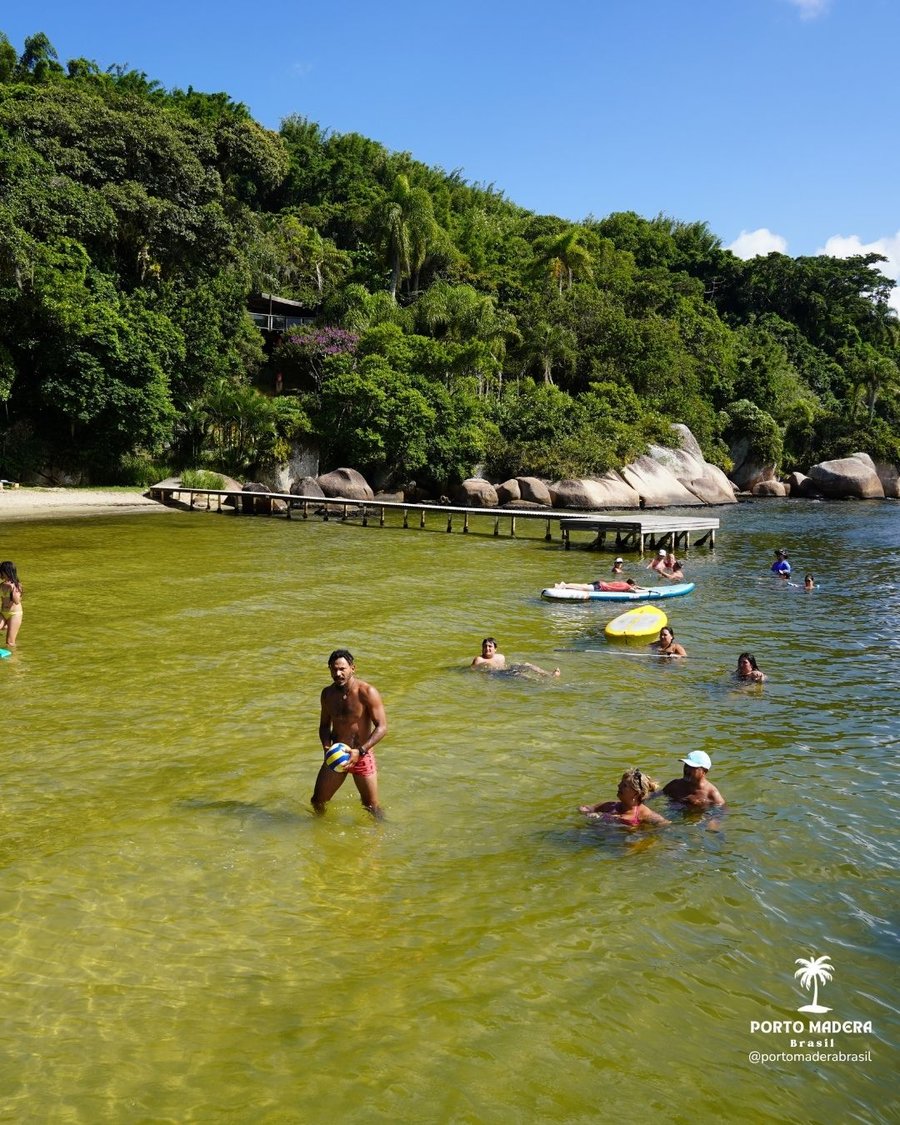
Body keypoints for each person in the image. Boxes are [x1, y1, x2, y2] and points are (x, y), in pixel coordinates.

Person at [312, 649, 387, 817]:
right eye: (334, 669)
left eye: (342, 669)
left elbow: (382, 727)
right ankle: (321, 836)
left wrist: (359, 751)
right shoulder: (327, 694)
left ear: (353, 668)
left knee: (371, 807)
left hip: (361, 754)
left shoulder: (367, 692)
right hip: (337, 755)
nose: (338, 673)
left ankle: (378, 837)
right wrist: (326, 748)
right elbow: (324, 726)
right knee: (317, 801)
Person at [579, 767, 670, 828]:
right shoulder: (610, 805)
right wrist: (587, 813)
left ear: (637, 793)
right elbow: (587, 808)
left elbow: (665, 825)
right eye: (621, 783)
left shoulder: (645, 814)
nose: (619, 786)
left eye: (624, 785)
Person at [472, 637, 560, 678]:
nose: (487, 648)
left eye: (490, 646)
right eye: (485, 646)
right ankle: (539, 682)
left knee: (527, 665)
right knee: (520, 675)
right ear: (482, 648)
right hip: (497, 674)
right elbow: (472, 670)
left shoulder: (501, 657)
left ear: (495, 649)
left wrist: (516, 667)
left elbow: (505, 666)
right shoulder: (479, 659)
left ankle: (548, 674)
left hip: (506, 670)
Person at [0, 561, 23, 647]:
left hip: (14, 614)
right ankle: (6, 626)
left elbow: (17, 601)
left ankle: (13, 659)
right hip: (3, 613)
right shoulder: (1, 585)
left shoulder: (17, 585)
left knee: (9, 643)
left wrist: (13, 589)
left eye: (2, 571)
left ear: (7, 572)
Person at [553, 577, 646, 593]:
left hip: (600, 582)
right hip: (601, 587)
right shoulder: (628, 586)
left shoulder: (623, 582)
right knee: (582, 587)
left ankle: (565, 584)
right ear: (632, 584)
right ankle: (564, 585)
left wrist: (634, 586)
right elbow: (635, 591)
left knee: (582, 585)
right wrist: (641, 588)